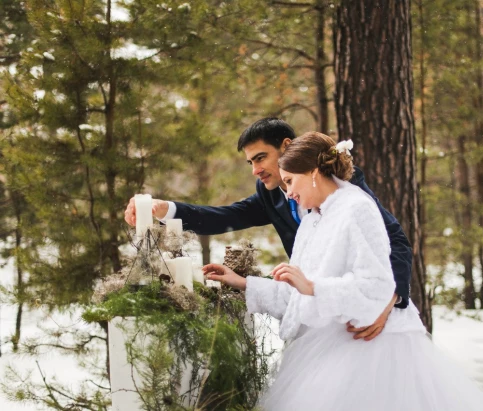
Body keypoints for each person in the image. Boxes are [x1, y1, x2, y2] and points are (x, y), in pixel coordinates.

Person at [203, 132, 483, 411]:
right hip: (327, 345)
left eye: (291, 181)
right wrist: (243, 282)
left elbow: (377, 286)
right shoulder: (313, 219)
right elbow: (298, 297)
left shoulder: (357, 208)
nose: (288, 193)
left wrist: (315, 288)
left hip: (369, 351)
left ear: (314, 173)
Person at [124, 118, 413, 341]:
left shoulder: (344, 189)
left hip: (360, 318)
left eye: (260, 158)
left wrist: (387, 301)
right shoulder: (269, 194)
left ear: (287, 147)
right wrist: (166, 209)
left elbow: (394, 240)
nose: (255, 170)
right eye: (250, 162)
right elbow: (223, 217)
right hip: (317, 320)